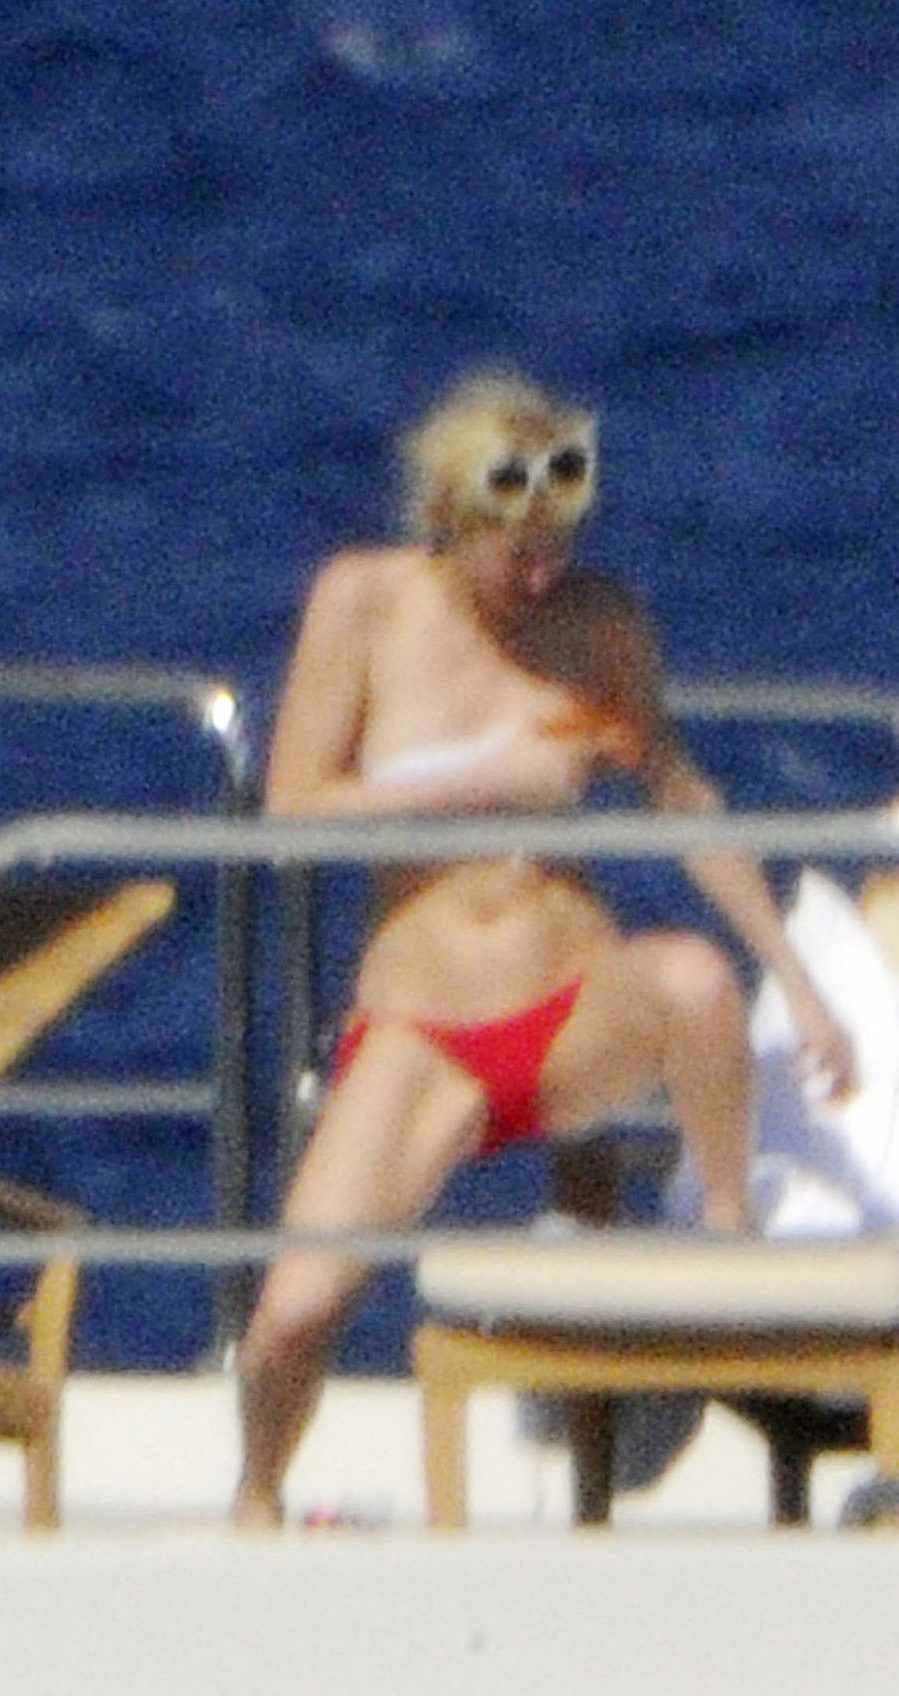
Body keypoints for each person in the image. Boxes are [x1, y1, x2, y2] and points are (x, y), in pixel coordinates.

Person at [232, 368, 859, 1528]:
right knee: (295, 1310)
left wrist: (796, 976)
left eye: (557, 549)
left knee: (693, 978)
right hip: (426, 1023)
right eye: (515, 554)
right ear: (447, 522)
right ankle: (259, 1492)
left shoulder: (597, 623)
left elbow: (681, 797)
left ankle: (725, 1255)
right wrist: (485, 783)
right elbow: (293, 809)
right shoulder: (366, 603)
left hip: (569, 1002)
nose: (539, 577)